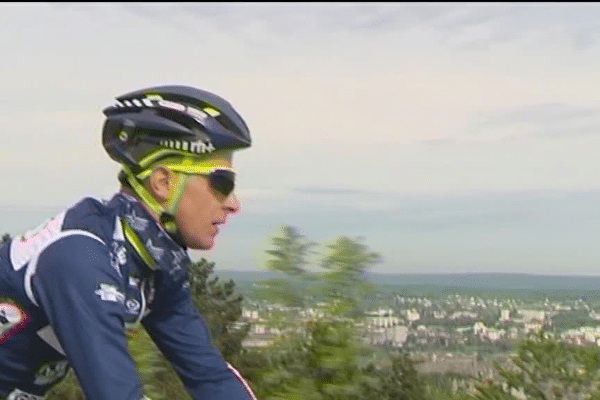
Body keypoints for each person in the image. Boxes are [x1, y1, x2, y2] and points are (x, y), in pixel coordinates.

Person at [0, 85, 258, 400]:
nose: (234, 204)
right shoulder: (81, 257)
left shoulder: (151, 264)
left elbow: (210, 377)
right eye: (222, 183)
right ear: (163, 182)